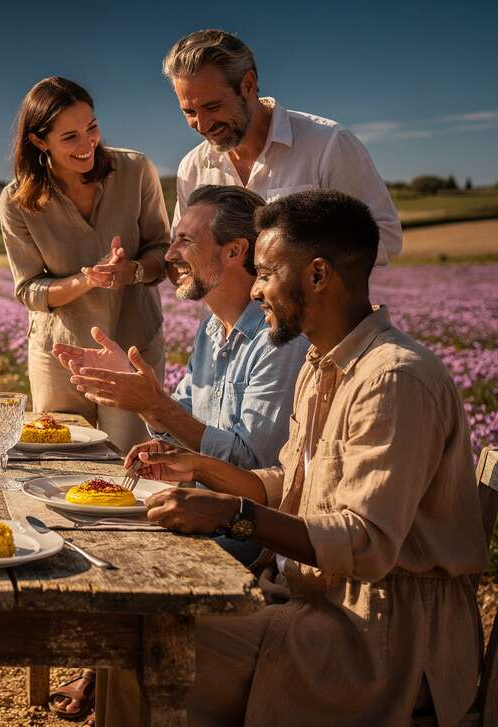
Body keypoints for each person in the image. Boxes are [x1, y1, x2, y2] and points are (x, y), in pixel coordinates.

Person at [106, 189, 485, 726]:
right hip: (315, 599)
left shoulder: (393, 379)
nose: (255, 289)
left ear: (318, 275)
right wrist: (199, 466)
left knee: (138, 646)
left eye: (265, 273)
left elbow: (366, 542)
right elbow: (295, 482)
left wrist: (232, 514)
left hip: (377, 636)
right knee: (136, 625)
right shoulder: (320, 362)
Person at [55, 185, 309, 567]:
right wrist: (144, 397)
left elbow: (254, 471)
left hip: (244, 535)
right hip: (195, 514)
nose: (170, 255)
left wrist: (156, 405)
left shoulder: (280, 341)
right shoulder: (210, 328)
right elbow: (184, 425)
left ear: (235, 251)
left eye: (185, 241)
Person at [0, 76, 169, 452]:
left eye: (91, 128)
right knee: (62, 458)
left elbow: (162, 251)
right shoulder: (16, 201)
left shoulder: (135, 170)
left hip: (133, 346)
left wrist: (133, 271)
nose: (87, 143)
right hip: (61, 354)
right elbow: (29, 290)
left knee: (133, 462)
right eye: (70, 137)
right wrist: (88, 280)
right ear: (39, 141)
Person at [164, 29, 402, 265]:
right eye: (190, 112)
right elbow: (180, 256)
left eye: (213, 107)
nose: (202, 124)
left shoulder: (328, 143)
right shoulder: (191, 167)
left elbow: (385, 238)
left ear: (248, 85)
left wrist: (295, 263)